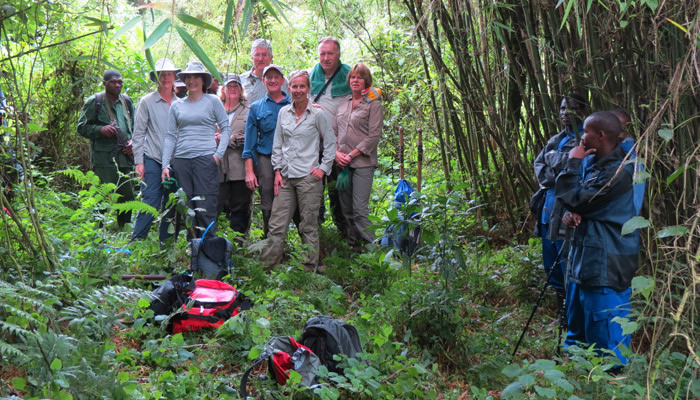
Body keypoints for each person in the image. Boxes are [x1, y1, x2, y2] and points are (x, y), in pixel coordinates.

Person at [555, 111, 639, 366]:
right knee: (579, 324)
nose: (581, 136)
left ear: (600, 135)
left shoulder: (620, 172)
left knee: (608, 332)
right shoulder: (596, 163)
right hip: (585, 257)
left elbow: (579, 198)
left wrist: (571, 164)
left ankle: (613, 385)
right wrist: (571, 213)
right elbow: (579, 202)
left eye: (586, 132)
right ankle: (578, 373)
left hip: (607, 259)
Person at [261, 70, 335, 272]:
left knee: (308, 225)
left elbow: (330, 144)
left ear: (308, 89)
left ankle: (307, 269)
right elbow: (277, 144)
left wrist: (323, 169)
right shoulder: (284, 113)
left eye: (302, 86)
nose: (298, 90)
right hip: (285, 177)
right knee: (276, 226)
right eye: (294, 86)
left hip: (308, 178)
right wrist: (277, 170)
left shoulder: (318, 114)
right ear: (289, 88)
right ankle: (267, 269)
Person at [161, 61, 230, 238]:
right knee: (188, 209)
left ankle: (209, 257)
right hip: (182, 161)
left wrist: (217, 156)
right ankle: (194, 254)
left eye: (196, 77)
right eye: (188, 77)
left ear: (203, 80)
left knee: (206, 208)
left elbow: (226, 128)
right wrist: (165, 165)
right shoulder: (177, 105)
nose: (192, 81)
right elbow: (170, 136)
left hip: (205, 160)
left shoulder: (212, 101)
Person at [532, 93, 587, 302]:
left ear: (581, 111)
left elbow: (579, 168)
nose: (565, 113)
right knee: (551, 263)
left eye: (570, 108)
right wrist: (560, 167)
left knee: (567, 264)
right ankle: (561, 310)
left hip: (567, 212)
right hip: (548, 212)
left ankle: (572, 313)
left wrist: (554, 160)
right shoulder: (557, 138)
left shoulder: (586, 139)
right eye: (562, 109)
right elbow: (539, 167)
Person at [77, 69, 135, 228]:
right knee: (102, 194)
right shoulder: (95, 101)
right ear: (104, 84)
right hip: (104, 160)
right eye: (113, 82)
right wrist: (100, 130)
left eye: (120, 82)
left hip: (125, 157)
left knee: (127, 196)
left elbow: (136, 127)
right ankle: (98, 230)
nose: (117, 85)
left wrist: (133, 143)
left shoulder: (127, 101)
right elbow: (81, 127)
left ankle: (124, 229)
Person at [130, 58, 180, 242]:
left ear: (175, 76)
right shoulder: (147, 102)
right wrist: (139, 163)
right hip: (152, 158)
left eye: (169, 73)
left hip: (175, 161)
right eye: (162, 74)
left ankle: (165, 246)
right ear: (156, 77)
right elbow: (138, 133)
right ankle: (136, 243)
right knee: (150, 201)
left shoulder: (180, 103)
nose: (166, 78)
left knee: (171, 203)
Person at [334, 63, 383, 247]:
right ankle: (354, 249)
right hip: (342, 164)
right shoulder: (343, 103)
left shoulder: (373, 104)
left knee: (360, 210)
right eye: (353, 77)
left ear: (366, 81)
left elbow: (373, 135)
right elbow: (334, 130)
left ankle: (375, 250)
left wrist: (352, 155)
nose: (355, 80)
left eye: (360, 77)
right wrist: (337, 153)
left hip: (363, 163)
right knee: (346, 209)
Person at [308, 37, 353, 234]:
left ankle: (344, 233)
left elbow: (366, 96)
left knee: (339, 190)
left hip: (342, 142)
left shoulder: (350, 74)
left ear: (339, 54)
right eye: (322, 54)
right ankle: (317, 234)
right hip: (314, 145)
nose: (326, 58)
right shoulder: (310, 76)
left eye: (330, 53)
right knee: (314, 188)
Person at [242, 64, 291, 237]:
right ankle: (270, 239)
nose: (272, 80)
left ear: (283, 81)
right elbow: (249, 143)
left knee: (295, 200)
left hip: (292, 159)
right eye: (268, 77)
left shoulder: (294, 104)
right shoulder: (256, 107)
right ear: (263, 81)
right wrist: (249, 171)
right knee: (268, 200)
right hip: (266, 159)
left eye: (276, 77)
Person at [216, 73, 252, 235]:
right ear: (223, 89)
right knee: (215, 207)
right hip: (217, 169)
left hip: (240, 169)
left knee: (240, 208)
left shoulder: (249, 109)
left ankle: (239, 245)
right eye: (229, 86)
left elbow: (251, 137)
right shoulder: (214, 108)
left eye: (236, 85)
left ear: (241, 88)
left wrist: (227, 139)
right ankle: (212, 245)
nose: (233, 89)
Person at [610, 108, 645, 215]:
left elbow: (636, 199)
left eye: (623, 129)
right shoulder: (594, 154)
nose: (620, 133)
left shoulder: (632, 161)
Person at [240, 39, 287, 104]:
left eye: (264, 55)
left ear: (271, 58)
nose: (260, 59)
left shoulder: (282, 81)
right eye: (257, 55)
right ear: (252, 57)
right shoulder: (241, 80)